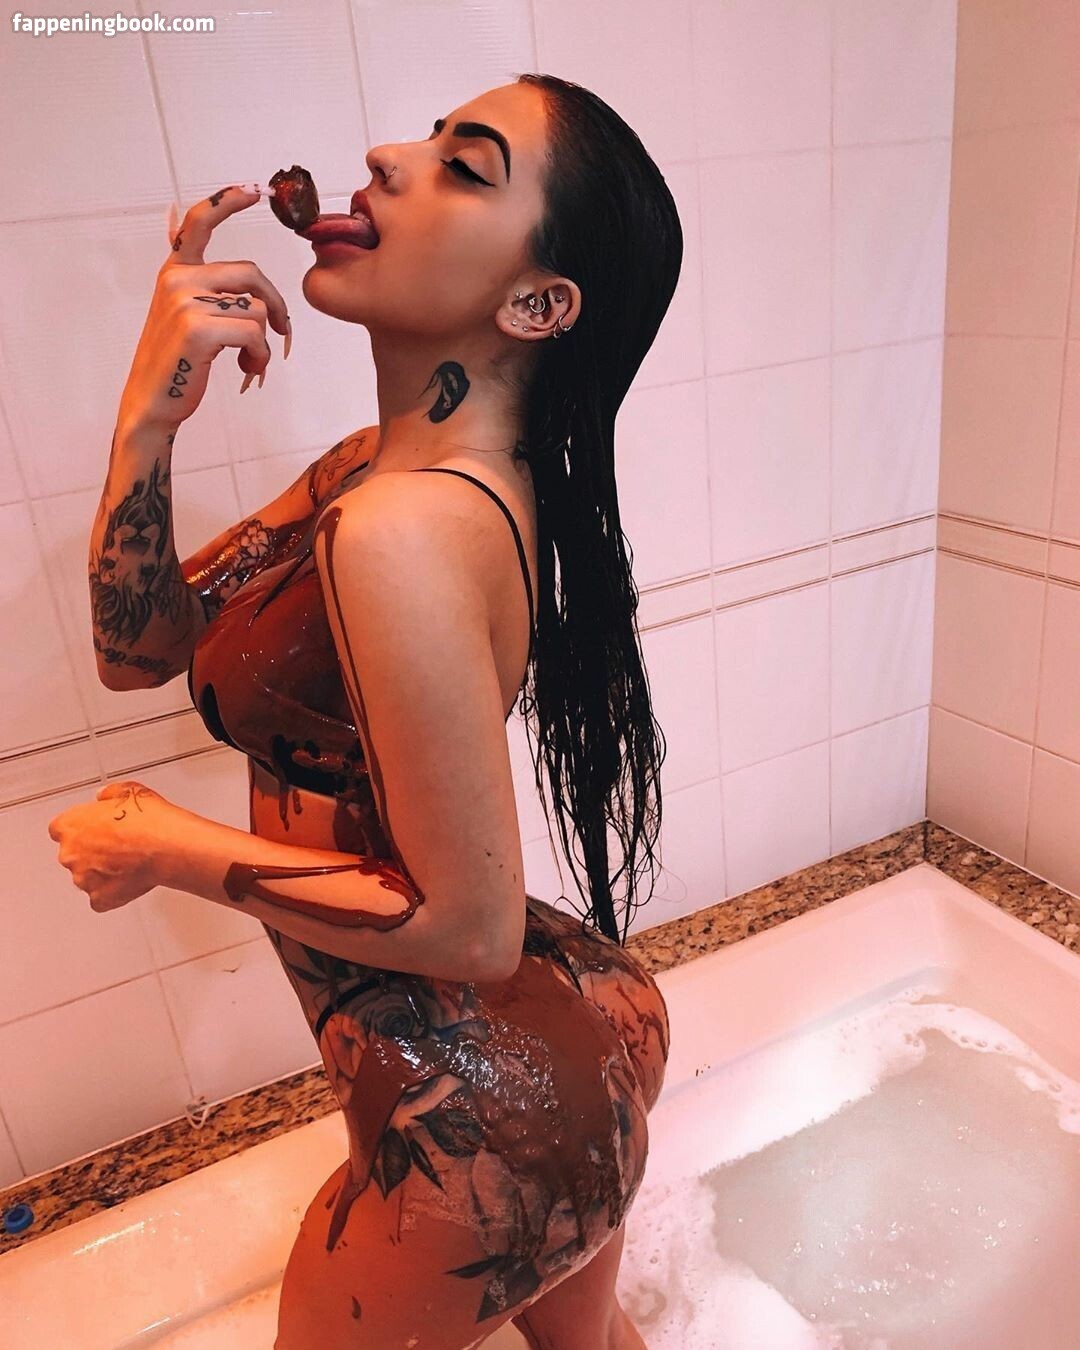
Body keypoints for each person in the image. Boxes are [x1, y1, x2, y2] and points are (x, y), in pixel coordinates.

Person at [53, 73, 684, 1349]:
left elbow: (468, 929)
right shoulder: (378, 475)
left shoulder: (403, 527)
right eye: (426, 136)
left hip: (478, 1119)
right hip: (564, 1042)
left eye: (464, 164)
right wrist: (148, 418)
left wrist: (164, 846)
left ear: (537, 303)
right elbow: (141, 650)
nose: (388, 156)